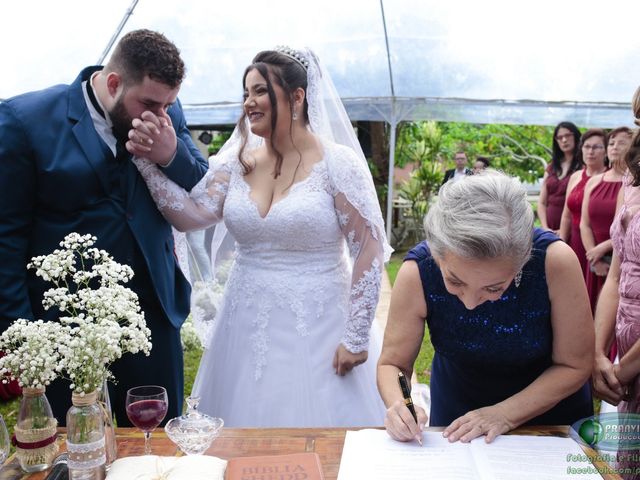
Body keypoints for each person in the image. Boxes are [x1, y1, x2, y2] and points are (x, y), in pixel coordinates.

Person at [129, 47, 391, 427]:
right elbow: (192, 215)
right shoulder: (239, 161)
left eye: (260, 91)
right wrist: (146, 161)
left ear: (297, 97)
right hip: (245, 323)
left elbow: (367, 247)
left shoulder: (337, 163)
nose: (249, 102)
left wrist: (356, 335)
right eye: (246, 93)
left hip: (320, 326)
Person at [0, 29, 209, 425]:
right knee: (78, 446)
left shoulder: (166, 112)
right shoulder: (24, 120)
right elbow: (5, 237)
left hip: (153, 316)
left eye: (168, 105)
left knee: (157, 440)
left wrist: (170, 153)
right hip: (66, 327)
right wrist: (22, 337)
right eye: (148, 103)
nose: (159, 115)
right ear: (113, 83)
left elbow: (200, 180)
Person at [378, 171, 593, 445]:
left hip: (550, 421)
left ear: (523, 260)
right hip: (457, 419)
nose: (469, 303)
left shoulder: (556, 262)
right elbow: (393, 363)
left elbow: (575, 364)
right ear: (436, 254)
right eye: (454, 281)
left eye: (493, 288)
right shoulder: (417, 272)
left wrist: (504, 414)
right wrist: (401, 402)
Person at [592, 90, 640, 415]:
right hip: (626, 358)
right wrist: (597, 355)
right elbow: (616, 275)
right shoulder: (631, 181)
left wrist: (622, 372)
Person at [580, 127, 632, 312]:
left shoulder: (634, 185)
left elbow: (630, 226)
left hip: (621, 258)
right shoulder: (594, 182)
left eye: (621, 143)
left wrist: (603, 247)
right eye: (611, 143)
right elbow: (584, 224)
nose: (615, 147)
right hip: (594, 259)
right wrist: (594, 257)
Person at [559, 129, 608, 276]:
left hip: (598, 244)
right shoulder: (575, 177)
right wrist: (561, 242)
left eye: (597, 147)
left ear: (606, 151)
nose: (590, 151)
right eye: (587, 147)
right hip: (574, 240)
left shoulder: (610, 178)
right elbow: (566, 215)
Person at [538, 122, 582, 232]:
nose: (564, 140)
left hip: (572, 229)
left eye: (567, 135)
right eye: (559, 137)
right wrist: (545, 227)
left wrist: (563, 230)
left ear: (576, 136)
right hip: (548, 229)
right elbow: (541, 202)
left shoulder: (583, 167)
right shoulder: (551, 167)